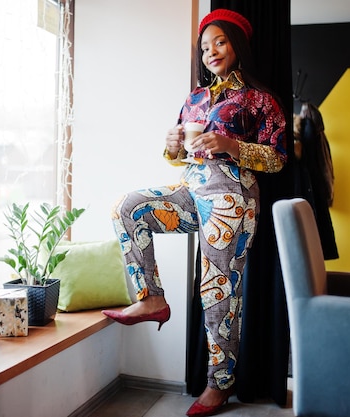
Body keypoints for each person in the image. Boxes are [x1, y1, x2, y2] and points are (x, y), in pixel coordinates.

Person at [102, 9, 287, 417]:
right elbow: (180, 155)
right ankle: (151, 299)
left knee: (217, 292)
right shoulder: (195, 99)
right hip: (192, 189)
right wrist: (171, 146)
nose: (211, 52)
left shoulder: (259, 99)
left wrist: (232, 146)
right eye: (205, 46)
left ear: (237, 45)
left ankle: (219, 385)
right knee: (127, 207)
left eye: (219, 42)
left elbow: (277, 159)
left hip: (232, 198)